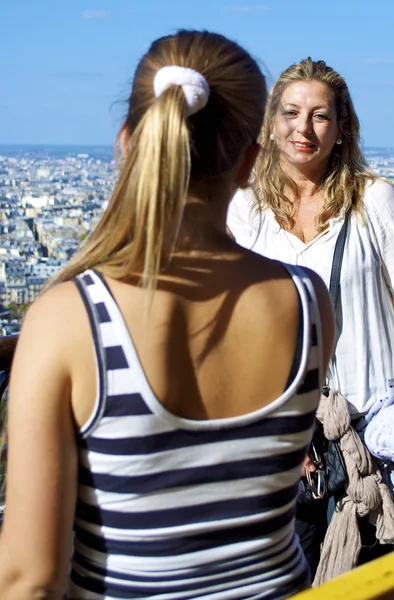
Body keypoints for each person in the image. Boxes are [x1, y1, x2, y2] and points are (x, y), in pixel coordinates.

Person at [0, 32, 335, 600]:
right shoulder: (306, 301)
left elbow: (30, 577)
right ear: (250, 164)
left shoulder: (67, 320)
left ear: (128, 142)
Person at [227, 57, 394, 578]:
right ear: (270, 123)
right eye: (290, 112)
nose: (302, 128)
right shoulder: (245, 211)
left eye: (319, 115)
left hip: (374, 430)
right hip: (291, 434)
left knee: (379, 572)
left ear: (342, 126)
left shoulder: (375, 201)